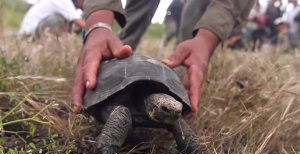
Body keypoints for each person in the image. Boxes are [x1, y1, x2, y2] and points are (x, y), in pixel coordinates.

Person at [72, 0, 254, 114]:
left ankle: (190, 64)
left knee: (193, 13)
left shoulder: (171, 111)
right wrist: (99, 23)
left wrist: (207, 39)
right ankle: (111, 55)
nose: (174, 114)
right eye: (167, 110)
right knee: (134, 14)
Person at [19, 0, 85, 37]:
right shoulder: (64, 2)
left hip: (34, 30)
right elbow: (80, 24)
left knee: (71, 24)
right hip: (30, 32)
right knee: (58, 20)